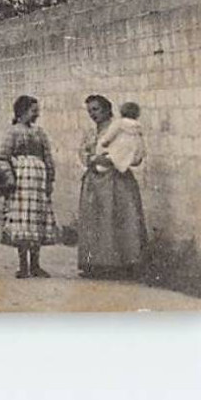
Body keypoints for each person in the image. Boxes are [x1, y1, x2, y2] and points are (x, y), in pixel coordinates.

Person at [78, 94, 148, 277]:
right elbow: (83, 152)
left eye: (96, 109)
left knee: (119, 219)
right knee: (95, 222)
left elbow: (136, 154)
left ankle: (123, 265)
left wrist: (115, 160)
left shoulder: (122, 128)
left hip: (117, 182)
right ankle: (96, 264)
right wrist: (91, 159)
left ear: (107, 109)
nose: (93, 114)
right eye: (90, 111)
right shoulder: (91, 132)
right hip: (94, 182)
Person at [0, 94, 59, 278]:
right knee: (23, 221)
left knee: (36, 221)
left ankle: (36, 265)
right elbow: (3, 157)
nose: (37, 114)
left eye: (37, 111)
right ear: (22, 112)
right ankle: (23, 265)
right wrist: (9, 177)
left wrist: (49, 179)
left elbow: (47, 157)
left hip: (37, 184)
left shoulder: (40, 133)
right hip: (21, 184)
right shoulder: (13, 132)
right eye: (33, 111)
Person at [98, 101, 146, 174]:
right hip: (129, 155)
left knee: (101, 165)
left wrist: (103, 143)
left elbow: (108, 137)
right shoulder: (138, 127)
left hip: (117, 152)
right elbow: (140, 143)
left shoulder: (118, 123)